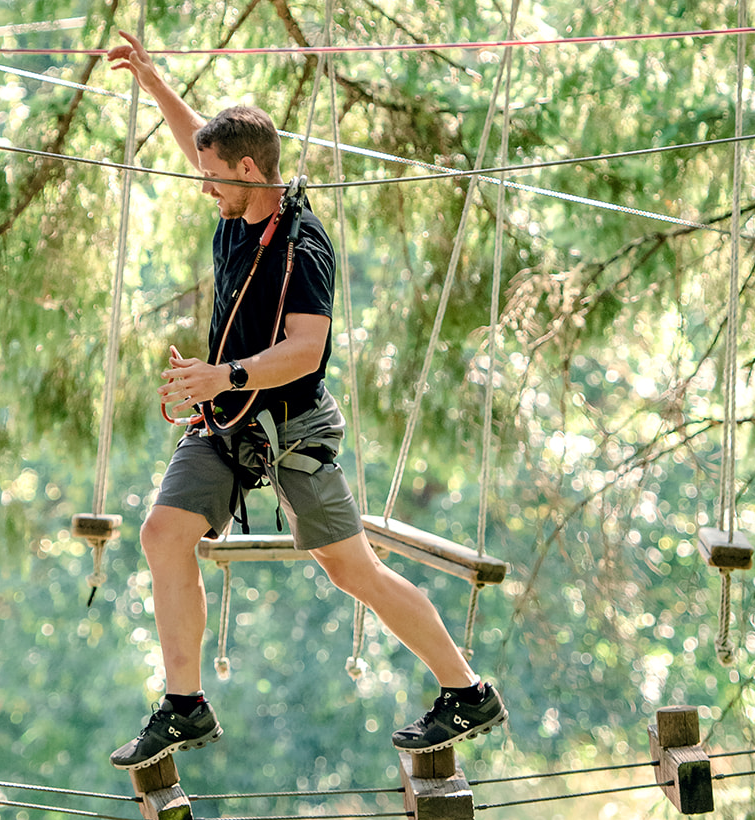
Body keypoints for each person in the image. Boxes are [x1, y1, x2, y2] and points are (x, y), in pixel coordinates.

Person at [106, 30, 507, 770]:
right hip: (229, 419)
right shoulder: (236, 214)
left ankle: (467, 691)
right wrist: (154, 80)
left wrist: (219, 378)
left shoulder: (301, 245)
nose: (206, 190)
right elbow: (199, 142)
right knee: (163, 533)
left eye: (216, 178)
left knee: (352, 569)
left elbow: (306, 352)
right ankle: (185, 706)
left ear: (251, 169)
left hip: (290, 424)